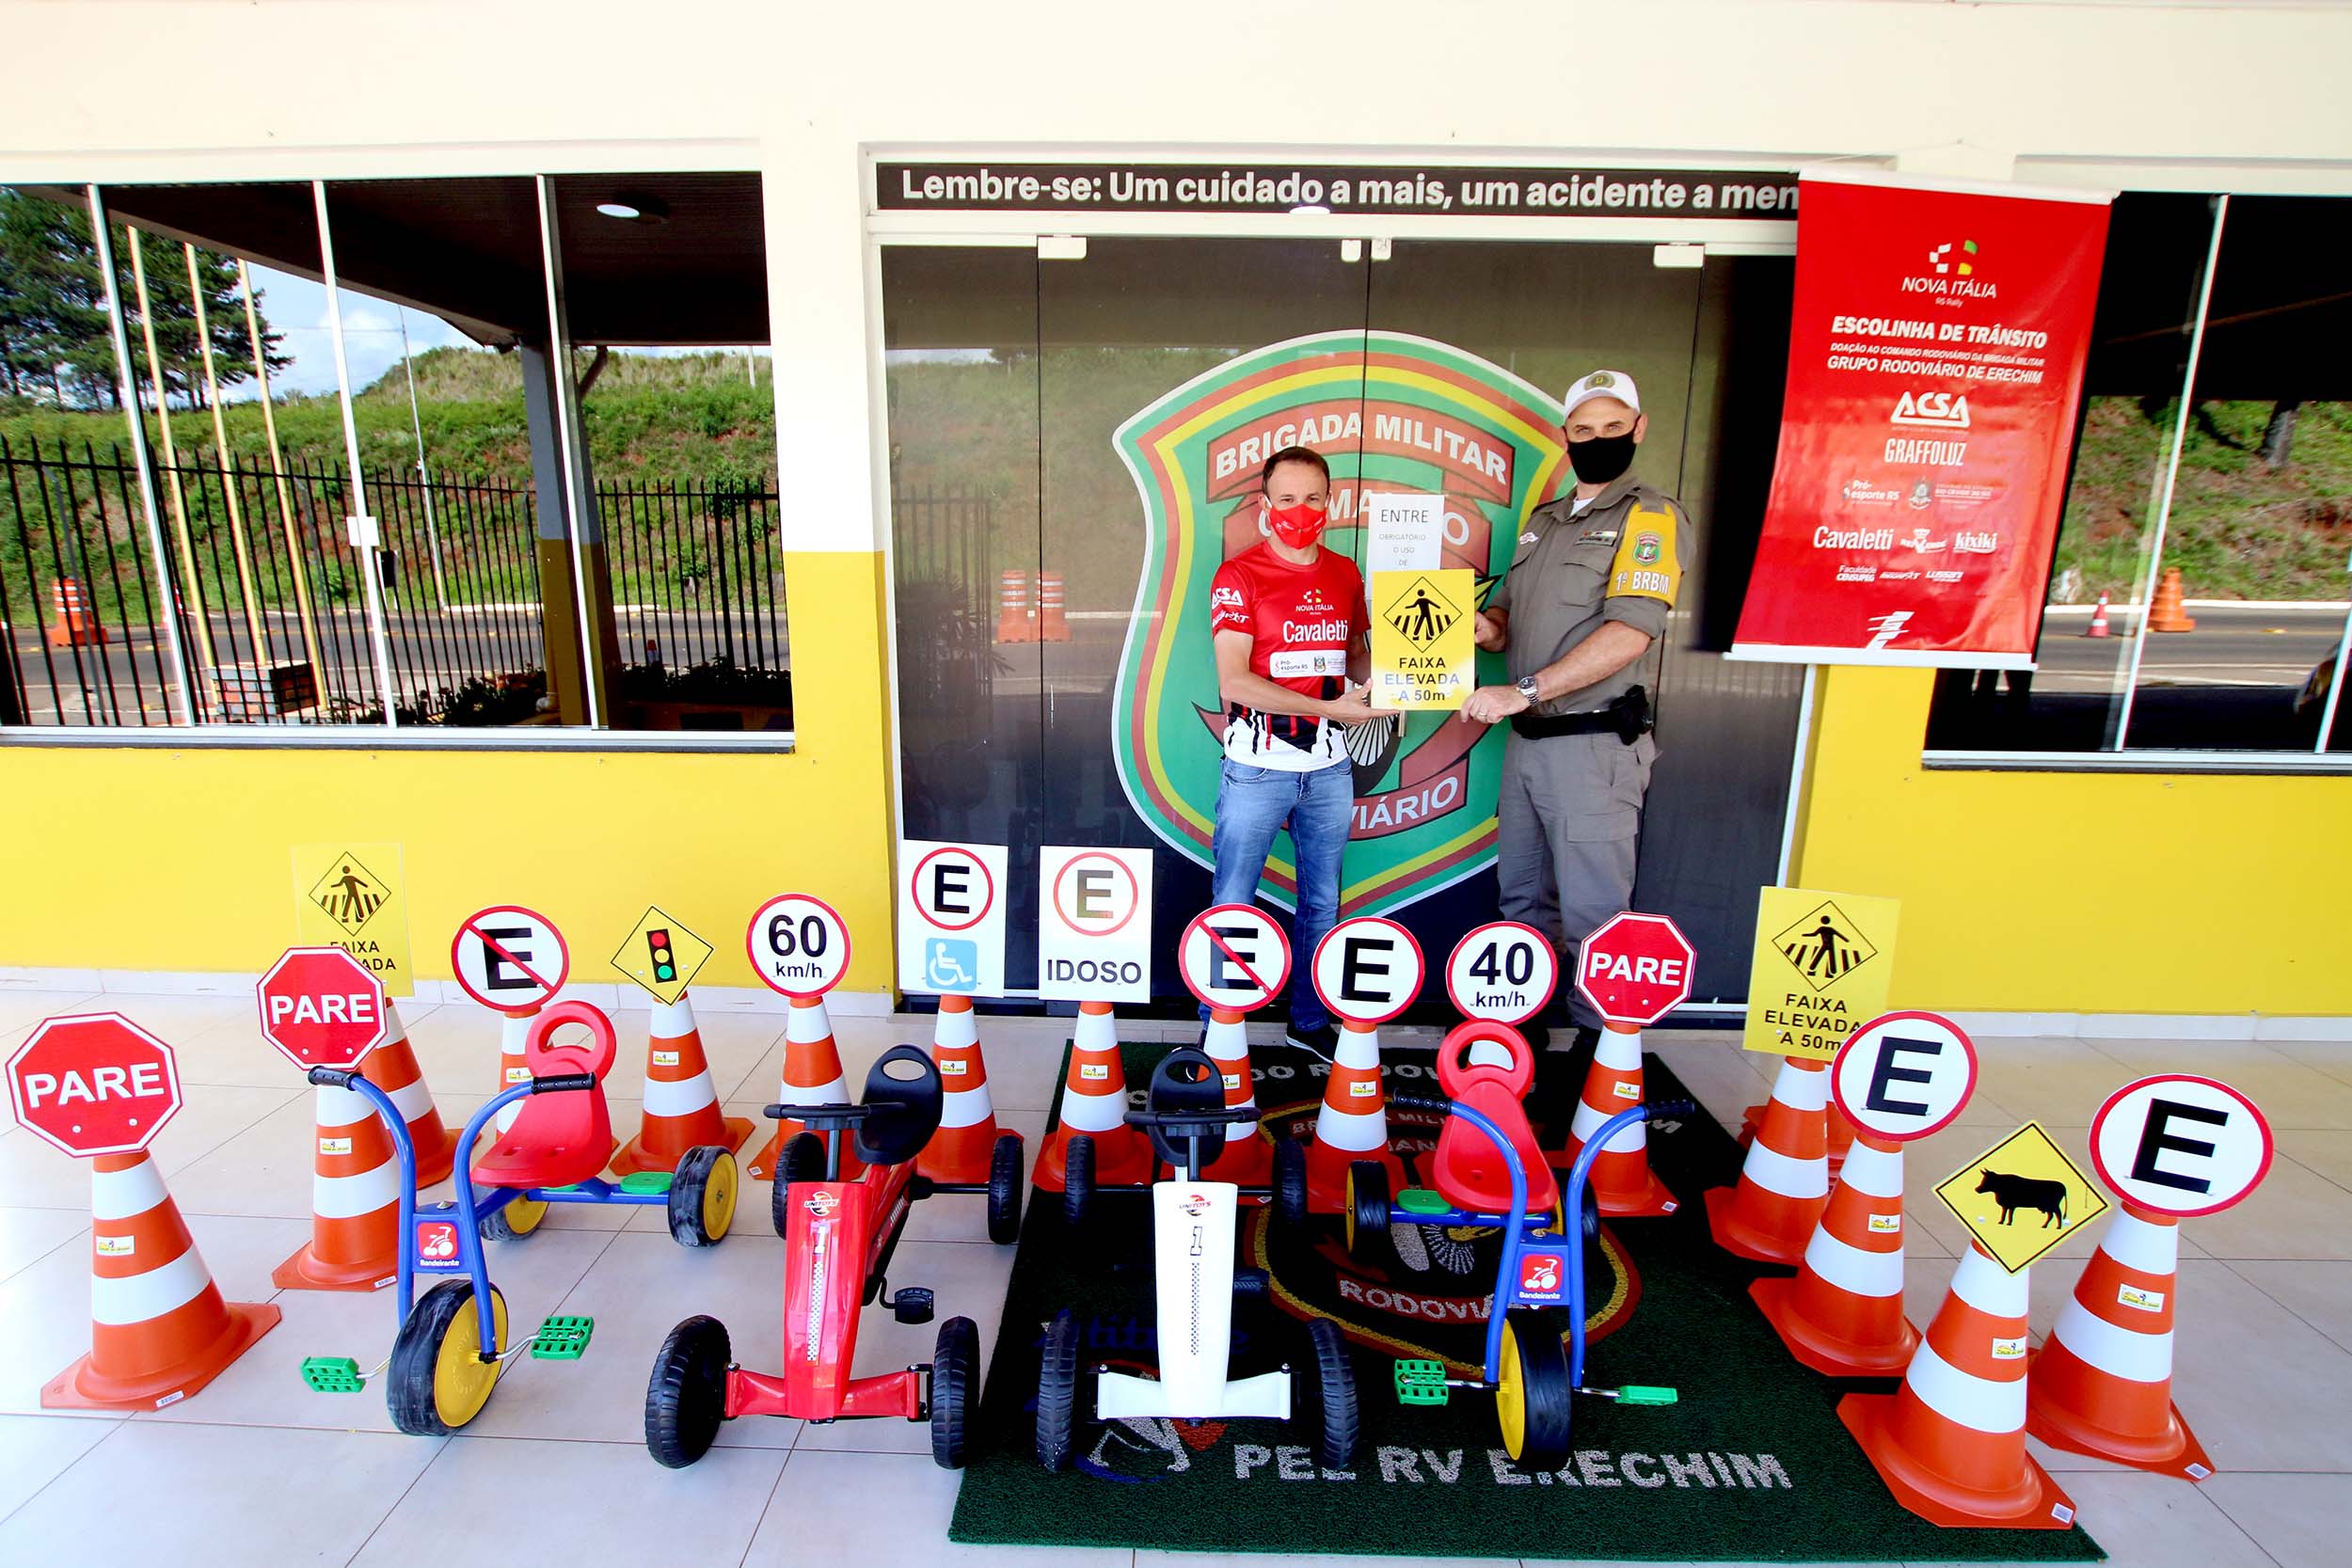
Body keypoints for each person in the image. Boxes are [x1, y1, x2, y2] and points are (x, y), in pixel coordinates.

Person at [1462, 370, 1694, 1060]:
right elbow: (1508, 623)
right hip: (1530, 743)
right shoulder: (1545, 522)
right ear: (1565, 436)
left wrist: (1524, 690)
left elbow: (1630, 633)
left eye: (1613, 427)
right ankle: (1517, 1040)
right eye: (1585, 429)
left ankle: (1598, 1057)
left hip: (1592, 743)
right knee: (1522, 901)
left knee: (1597, 914)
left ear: (1638, 429)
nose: (1598, 440)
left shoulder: (1649, 516)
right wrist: (1473, 627)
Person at [1204, 444, 1375, 1055]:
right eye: (1287, 499)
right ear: (1265, 504)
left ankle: (1308, 1021)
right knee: (1233, 900)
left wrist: (1410, 672)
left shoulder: (1345, 572)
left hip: (1328, 768)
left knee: (1322, 902)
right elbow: (1235, 682)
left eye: (1312, 498)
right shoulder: (1239, 576)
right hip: (1257, 766)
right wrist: (1334, 710)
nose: (1300, 510)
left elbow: (1355, 658)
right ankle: (1218, 1026)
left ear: (1331, 502)